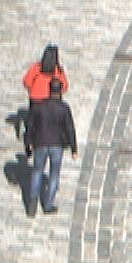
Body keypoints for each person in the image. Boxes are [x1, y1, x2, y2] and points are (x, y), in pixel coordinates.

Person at [24, 77, 78, 216]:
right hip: (57, 145)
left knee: (37, 172)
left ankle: (32, 203)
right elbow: (69, 129)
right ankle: (48, 205)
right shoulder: (64, 108)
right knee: (54, 174)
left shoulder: (39, 107)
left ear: (49, 90)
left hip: (40, 143)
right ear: (60, 91)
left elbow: (30, 126)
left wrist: (28, 142)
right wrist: (74, 148)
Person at [23, 46, 66, 113]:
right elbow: (64, 87)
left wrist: (32, 89)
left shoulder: (36, 67)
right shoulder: (58, 70)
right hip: (51, 102)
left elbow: (27, 82)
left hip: (35, 100)